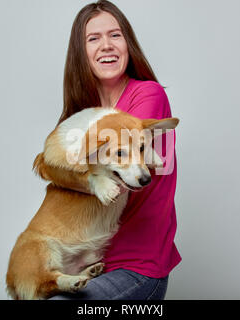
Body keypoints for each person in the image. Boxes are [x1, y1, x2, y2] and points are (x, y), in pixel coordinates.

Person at [47, 0, 181, 300]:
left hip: (136, 266)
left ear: (128, 44)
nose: (106, 45)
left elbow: (115, 180)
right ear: (82, 54)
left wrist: (73, 171)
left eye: (115, 35)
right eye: (93, 38)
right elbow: (46, 167)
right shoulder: (83, 113)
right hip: (86, 261)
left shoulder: (147, 96)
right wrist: (71, 171)